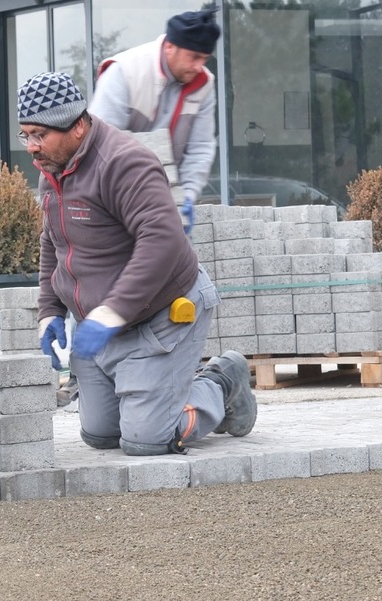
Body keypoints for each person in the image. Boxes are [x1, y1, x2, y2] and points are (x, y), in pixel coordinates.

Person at [19, 71, 256, 455]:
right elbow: (53, 240)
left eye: (40, 135)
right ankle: (158, 394)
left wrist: (112, 312)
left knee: (147, 439)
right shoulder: (52, 169)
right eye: (25, 135)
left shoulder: (125, 163)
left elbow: (162, 242)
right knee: (100, 435)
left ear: (77, 126)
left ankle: (221, 382)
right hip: (104, 323)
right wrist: (49, 310)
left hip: (160, 314)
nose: (31, 147)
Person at [88, 7, 220, 233]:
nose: (199, 66)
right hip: (115, 197)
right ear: (170, 47)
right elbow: (99, 147)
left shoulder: (203, 85)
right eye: (193, 57)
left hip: (165, 198)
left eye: (205, 59)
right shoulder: (125, 72)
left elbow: (200, 148)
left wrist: (185, 197)